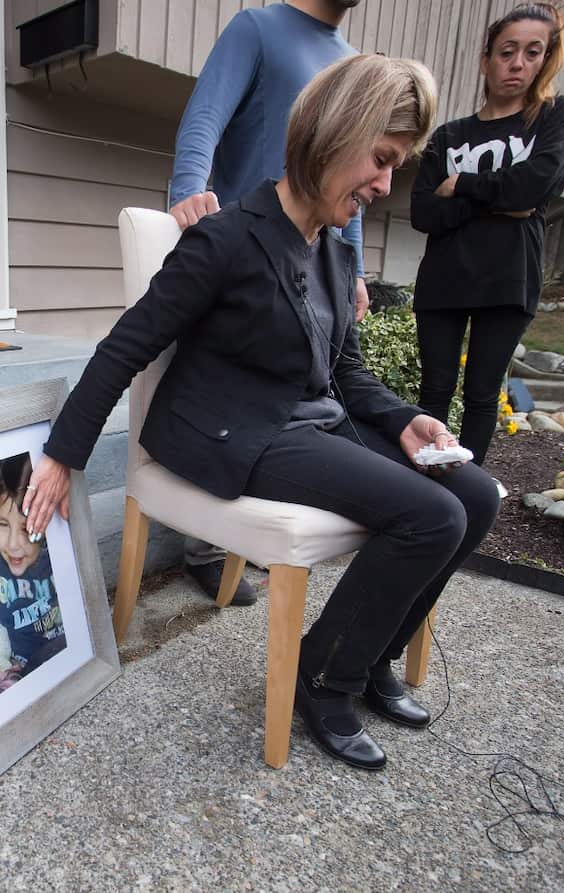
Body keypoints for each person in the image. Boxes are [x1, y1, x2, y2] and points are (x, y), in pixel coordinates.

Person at [22, 55, 501, 771]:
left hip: (311, 423)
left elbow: (344, 370)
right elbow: (126, 345)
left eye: (395, 166)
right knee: (433, 515)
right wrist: (65, 455)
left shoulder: (336, 253)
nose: (384, 184)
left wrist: (403, 419)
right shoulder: (226, 240)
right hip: (236, 433)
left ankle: (367, 657)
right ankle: (323, 675)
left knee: (474, 493)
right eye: (380, 160)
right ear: (335, 135)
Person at [168, 0, 371, 607]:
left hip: (310, 261)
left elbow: (353, 176)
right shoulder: (258, 27)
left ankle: (246, 522)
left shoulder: (353, 63)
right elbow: (205, 116)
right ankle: (204, 544)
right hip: (238, 252)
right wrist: (187, 193)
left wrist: (351, 266)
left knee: (286, 391)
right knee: (218, 393)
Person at [411, 2, 564, 467]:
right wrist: (502, 201)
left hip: (508, 281)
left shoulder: (554, 116)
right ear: (487, 60)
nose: (518, 63)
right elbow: (424, 212)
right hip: (444, 281)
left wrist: (461, 184)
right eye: (507, 52)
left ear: (546, 59)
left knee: (483, 394)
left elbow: (533, 186)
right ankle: (421, 483)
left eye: (532, 52)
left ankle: (466, 491)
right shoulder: (448, 135)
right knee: (435, 390)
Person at [0, 455, 66, 674]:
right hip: (20, 675)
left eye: (25, 528)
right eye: (3, 524)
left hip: (63, 658)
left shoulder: (58, 559)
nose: (13, 545)